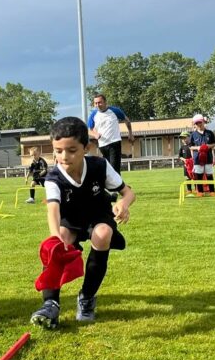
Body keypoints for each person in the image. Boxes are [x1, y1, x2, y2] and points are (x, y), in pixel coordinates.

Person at [30, 116, 136, 328]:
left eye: (71, 150)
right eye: (58, 151)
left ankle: (86, 298)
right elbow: (53, 209)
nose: (64, 156)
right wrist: (55, 239)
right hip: (70, 219)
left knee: (103, 234)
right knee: (59, 243)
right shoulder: (53, 178)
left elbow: (128, 192)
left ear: (86, 148)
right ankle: (50, 304)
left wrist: (124, 204)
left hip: (98, 215)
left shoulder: (99, 165)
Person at [87, 94, 134, 174]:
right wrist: (95, 134)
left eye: (99, 102)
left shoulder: (115, 111)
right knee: (107, 168)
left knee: (114, 169)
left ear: (105, 102)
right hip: (102, 145)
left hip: (114, 142)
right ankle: (111, 185)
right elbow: (89, 129)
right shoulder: (93, 114)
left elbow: (127, 120)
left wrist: (130, 133)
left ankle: (119, 186)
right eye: (95, 103)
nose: (97, 105)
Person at [188, 114, 215, 194]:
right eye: (196, 123)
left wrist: (208, 146)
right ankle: (200, 192)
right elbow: (190, 146)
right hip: (197, 159)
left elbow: (214, 144)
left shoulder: (210, 133)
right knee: (198, 175)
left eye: (200, 122)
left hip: (208, 158)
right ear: (195, 124)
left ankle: (212, 191)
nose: (198, 124)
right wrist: (197, 148)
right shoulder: (193, 135)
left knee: (209, 175)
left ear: (203, 122)